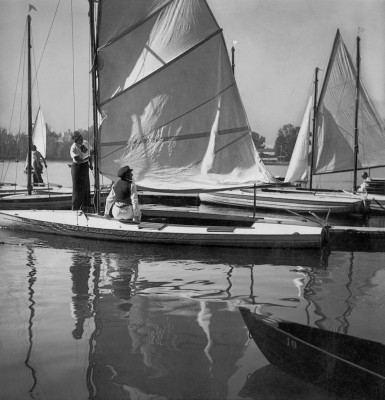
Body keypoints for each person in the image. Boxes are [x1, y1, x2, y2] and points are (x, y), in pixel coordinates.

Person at [70, 131, 93, 211]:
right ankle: (75, 208)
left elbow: (91, 152)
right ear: (75, 140)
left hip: (85, 165)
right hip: (77, 167)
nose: (81, 138)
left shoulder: (85, 142)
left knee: (86, 186)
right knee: (77, 188)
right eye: (79, 138)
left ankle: (86, 207)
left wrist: (91, 164)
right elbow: (79, 160)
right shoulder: (73, 148)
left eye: (81, 136)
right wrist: (88, 157)